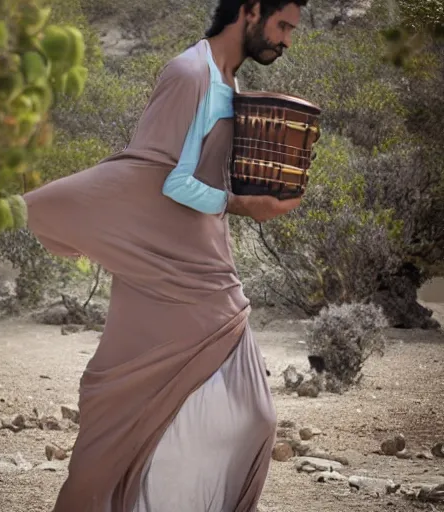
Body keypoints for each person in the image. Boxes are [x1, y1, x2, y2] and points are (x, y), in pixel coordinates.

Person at [23, 0, 307, 510]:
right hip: (168, 272)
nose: (287, 40)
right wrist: (241, 203)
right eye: (283, 25)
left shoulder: (230, 83)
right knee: (130, 414)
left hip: (205, 266)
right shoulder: (188, 73)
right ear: (250, 10)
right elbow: (162, 178)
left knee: (251, 415)